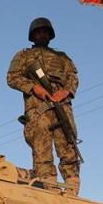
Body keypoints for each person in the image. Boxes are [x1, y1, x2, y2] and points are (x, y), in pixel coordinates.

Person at [7, 17, 81, 194]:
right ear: (32, 36)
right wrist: (34, 87)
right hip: (37, 107)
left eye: (45, 32)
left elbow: (73, 77)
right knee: (42, 151)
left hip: (61, 106)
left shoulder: (62, 57)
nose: (42, 34)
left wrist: (66, 91)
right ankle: (51, 191)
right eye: (38, 32)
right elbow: (12, 77)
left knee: (69, 148)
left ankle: (72, 192)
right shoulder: (23, 56)